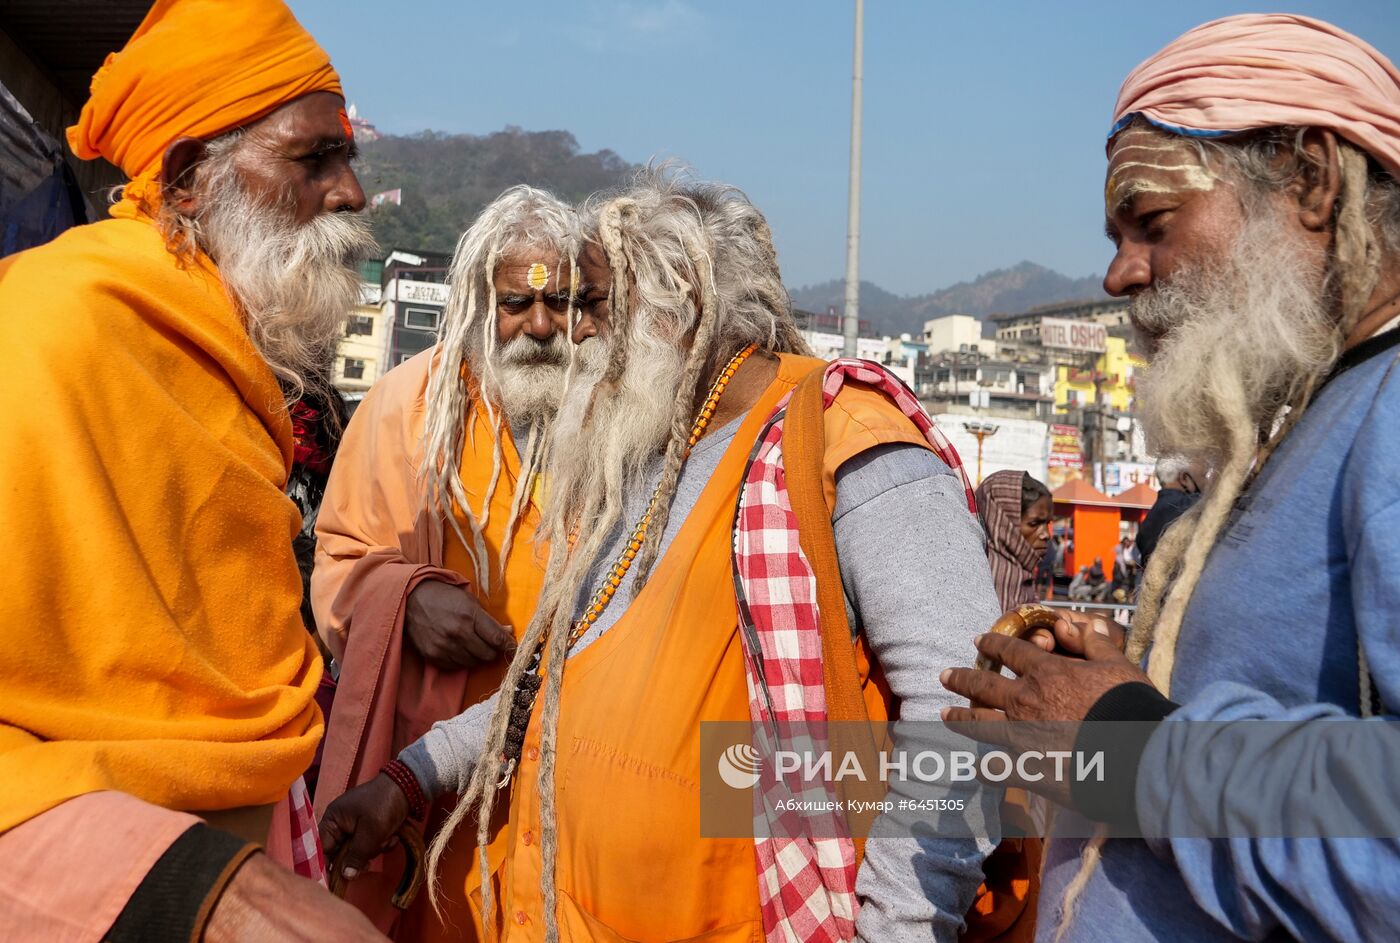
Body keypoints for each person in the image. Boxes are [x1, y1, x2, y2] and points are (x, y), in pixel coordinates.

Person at [324, 169, 1003, 941]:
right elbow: (549, 685)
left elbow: (965, 716)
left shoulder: (846, 438)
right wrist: (405, 780)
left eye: (595, 305)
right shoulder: (640, 455)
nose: (574, 332)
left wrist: (901, 930)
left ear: (677, 302)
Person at [940, 14, 1400, 941]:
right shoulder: (1321, 413)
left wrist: (1127, 748)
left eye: (1151, 224)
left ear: (1312, 179)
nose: (1118, 274)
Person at [0, 0, 387, 939]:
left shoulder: (227, 341)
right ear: (184, 180)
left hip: (250, 836)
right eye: (312, 160)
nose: (351, 194)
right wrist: (195, 890)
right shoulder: (57, 325)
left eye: (349, 158)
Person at [311, 187, 589, 938]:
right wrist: (408, 598)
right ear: (475, 301)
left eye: (559, 302)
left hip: (570, 770)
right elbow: (336, 562)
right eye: (515, 303)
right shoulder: (408, 406)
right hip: (424, 788)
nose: (538, 326)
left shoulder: (615, 423)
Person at [975, 470, 1052, 611]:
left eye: (1047, 523)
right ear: (1005, 524)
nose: (1046, 534)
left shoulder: (1020, 576)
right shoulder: (993, 579)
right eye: (1034, 524)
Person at [1134, 455, 1202, 566]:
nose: (1206, 483)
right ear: (1183, 478)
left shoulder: (1149, 520)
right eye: (1203, 477)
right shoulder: (1192, 506)